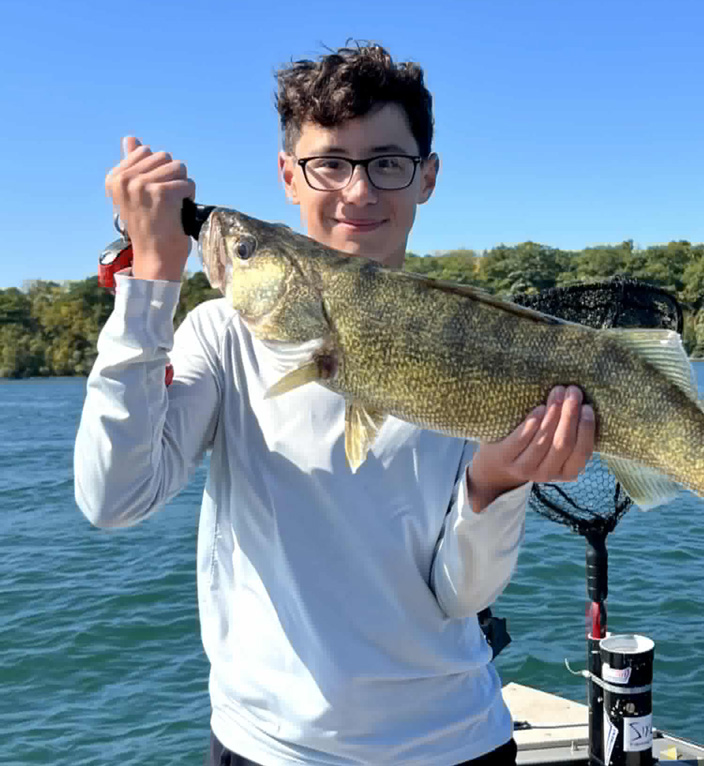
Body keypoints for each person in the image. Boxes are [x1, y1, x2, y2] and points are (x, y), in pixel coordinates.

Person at [75, 43, 595, 765]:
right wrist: (151, 282)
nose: (358, 192)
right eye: (330, 164)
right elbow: (114, 497)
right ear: (289, 176)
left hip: (459, 742)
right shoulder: (220, 335)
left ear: (428, 177)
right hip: (266, 748)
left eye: (388, 163)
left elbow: (460, 593)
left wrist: (496, 486)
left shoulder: (475, 344)